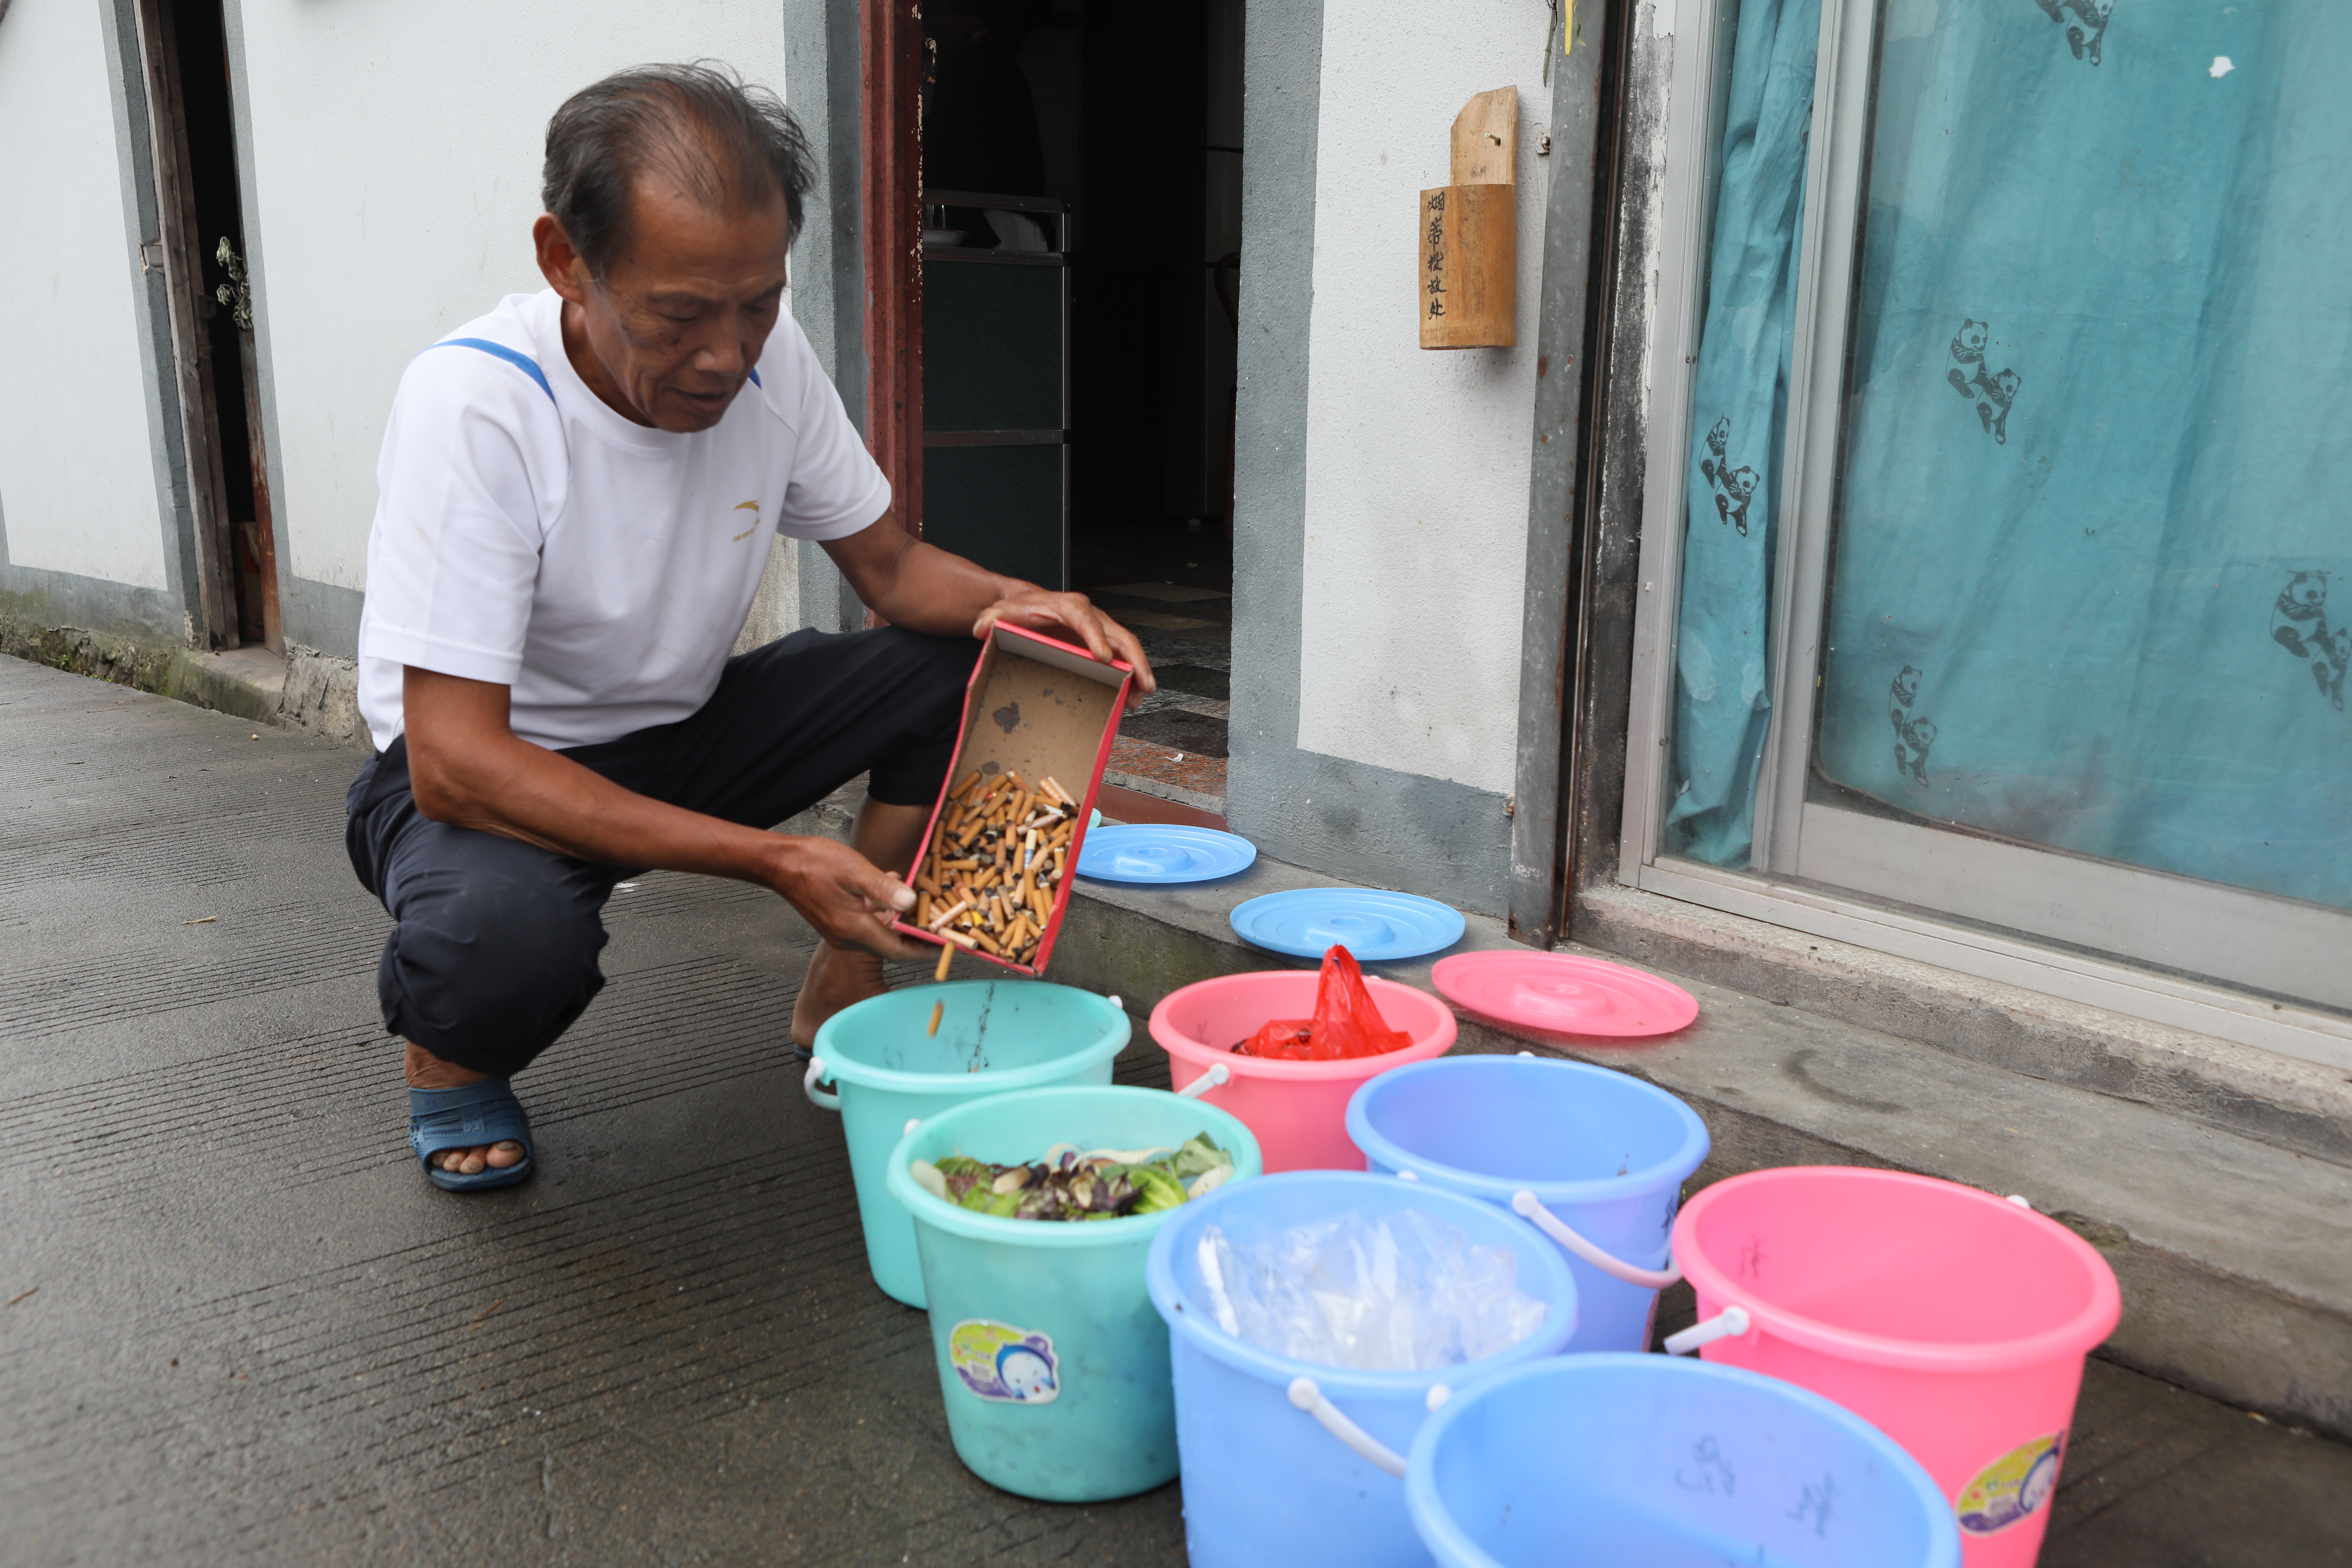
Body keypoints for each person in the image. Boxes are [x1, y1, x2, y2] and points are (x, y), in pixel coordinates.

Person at [345, 63, 1152, 1192]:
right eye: (680, 315)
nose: (726, 356)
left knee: (987, 664)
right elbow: (452, 761)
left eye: (758, 303)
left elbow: (890, 565)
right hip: (497, 779)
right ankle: (449, 1059)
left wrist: (1025, 602)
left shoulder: (770, 364)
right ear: (565, 261)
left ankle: (848, 962)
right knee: (500, 942)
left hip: (685, 731)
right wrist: (775, 858)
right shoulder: (478, 405)